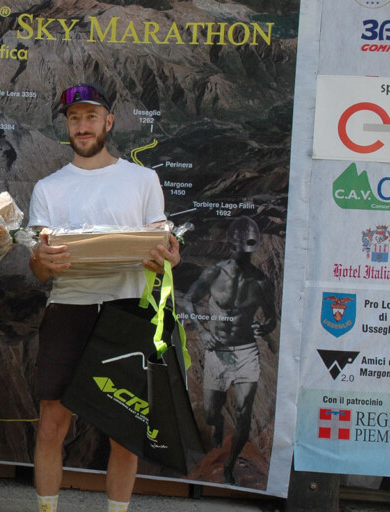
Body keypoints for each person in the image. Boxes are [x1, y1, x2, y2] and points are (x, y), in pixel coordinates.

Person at [28, 83, 181, 512]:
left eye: (91, 117)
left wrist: (169, 257)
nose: (82, 126)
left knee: (125, 431)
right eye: (74, 118)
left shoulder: (143, 179)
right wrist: (42, 260)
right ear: (66, 126)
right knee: (51, 424)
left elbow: (163, 248)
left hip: (126, 312)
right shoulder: (48, 187)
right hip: (68, 309)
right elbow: (39, 269)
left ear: (108, 122)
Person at [183, 215, 276, 485]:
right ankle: (217, 429)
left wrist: (263, 328)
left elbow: (271, 318)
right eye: (239, 244)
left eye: (248, 245)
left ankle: (230, 464)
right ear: (231, 244)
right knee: (212, 411)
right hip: (218, 351)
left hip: (247, 351)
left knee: (245, 411)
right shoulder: (215, 273)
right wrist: (203, 332)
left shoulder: (261, 282)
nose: (243, 251)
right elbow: (189, 300)